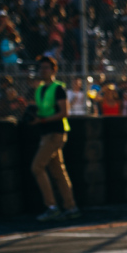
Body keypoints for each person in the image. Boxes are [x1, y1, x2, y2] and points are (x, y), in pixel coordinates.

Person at [31, 54, 79, 222]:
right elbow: (42, 110)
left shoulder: (58, 88)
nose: (42, 71)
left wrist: (42, 120)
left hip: (55, 133)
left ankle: (52, 206)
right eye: (41, 68)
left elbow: (64, 112)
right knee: (58, 171)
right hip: (45, 133)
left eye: (46, 68)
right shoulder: (40, 89)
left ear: (53, 70)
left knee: (37, 167)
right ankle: (70, 206)